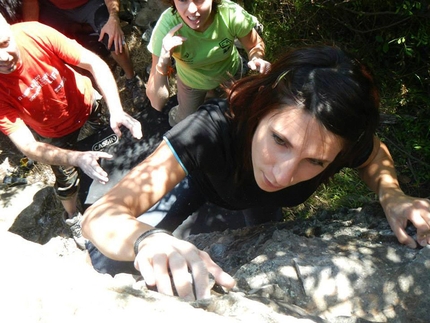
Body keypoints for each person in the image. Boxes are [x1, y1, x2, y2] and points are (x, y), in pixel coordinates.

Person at [82, 45, 430, 301]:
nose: (283, 173)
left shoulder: (336, 139)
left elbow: (372, 153)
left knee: (262, 229)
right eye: (280, 140)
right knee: (107, 259)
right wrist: (148, 240)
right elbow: (101, 216)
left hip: (259, 205)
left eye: (315, 162)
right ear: (259, 109)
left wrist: (392, 195)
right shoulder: (210, 130)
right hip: (201, 180)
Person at [0, 13, 143, 249]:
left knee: (109, 145)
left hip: (87, 104)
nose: (4, 57)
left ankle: (113, 180)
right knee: (67, 181)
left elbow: (93, 63)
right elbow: (28, 147)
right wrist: (76, 158)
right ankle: (73, 216)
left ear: (8, 28)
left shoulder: (34, 33)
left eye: (5, 43)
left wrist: (116, 110)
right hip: (53, 134)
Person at [146, 0, 271, 126]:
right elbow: (157, 103)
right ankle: (179, 115)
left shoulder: (230, 14)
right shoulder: (166, 28)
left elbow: (254, 45)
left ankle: (212, 99)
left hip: (229, 74)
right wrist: (163, 61)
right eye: (183, 0)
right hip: (191, 82)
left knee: (227, 112)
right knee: (185, 121)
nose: (192, 10)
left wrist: (256, 57)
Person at [21, 0, 146, 107]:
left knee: (112, 38)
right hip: (56, 10)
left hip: (89, 4)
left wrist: (113, 17)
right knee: (53, 49)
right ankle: (87, 91)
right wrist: (30, 38)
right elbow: (30, 3)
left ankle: (132, 78)